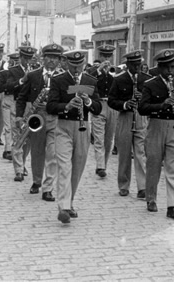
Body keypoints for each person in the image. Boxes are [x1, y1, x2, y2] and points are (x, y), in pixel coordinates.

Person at [46, 50, 102, 224]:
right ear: (66, 64)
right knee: (64, 167)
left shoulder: (91, 81)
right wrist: (67, 106)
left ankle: (69, 202)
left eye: (80, 65)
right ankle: (63, 207)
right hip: (63, 127)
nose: (77, 69)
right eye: (73, 65)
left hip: (83, 127)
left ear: (84, 63)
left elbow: (98, 108)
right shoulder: (58, 80)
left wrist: (88, 102)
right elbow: (51, 106)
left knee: (77, 167)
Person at [139, 49, 174, 219]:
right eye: (167, 68)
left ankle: (172, 205)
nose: (171, 71)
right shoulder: (150, 84)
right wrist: (161, 105)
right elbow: (142, 108)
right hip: (156, 125)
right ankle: (151, 199)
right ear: (159, 67)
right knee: (153, 164)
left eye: (173, 67)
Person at [15, 43, 64, 198]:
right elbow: (22, 97)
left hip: (55, 118)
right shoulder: (33, 75)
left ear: (60, 60)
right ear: (43, 58)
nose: (52, 61)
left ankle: (47, 188)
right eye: (49, 57)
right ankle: (36, 181)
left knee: (52, 153)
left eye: (55, 58)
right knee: (37, 152)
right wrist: (18, 116)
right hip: (37, 117)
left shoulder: (63, 77)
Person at [108, 50, 151, 198]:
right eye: (134, 65)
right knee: (124, 154)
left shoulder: (146, 79)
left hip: (140, 117)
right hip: (125, 117)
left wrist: (142, 98)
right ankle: (124, 185)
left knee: (140, 153)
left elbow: (151, 100)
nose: (137, 68)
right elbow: (111, 101)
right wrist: (126, 104)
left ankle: (142, 187)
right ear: (127, 65)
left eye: (139, 64)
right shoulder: (119, 79)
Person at [5, 46, 38, 182]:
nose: (27, 61)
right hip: (17, 104)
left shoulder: (37, 71)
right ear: (20, 58)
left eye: (30, 58)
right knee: (18, 137)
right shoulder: (13, 71)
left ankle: (22, 163)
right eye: (25, 58)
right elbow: (7, 87)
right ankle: (18, 170)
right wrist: (21, 80)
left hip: (32, 106)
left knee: (28, 139)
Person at [88, 44, 117, 179]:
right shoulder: (92, 71)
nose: (106, 58)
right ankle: (100, 166)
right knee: (98, 138)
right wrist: (99, 70)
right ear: (99, 56)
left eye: (108, 55)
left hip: (111, 105)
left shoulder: (116, 71)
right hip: (98, 104)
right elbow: (87, 81)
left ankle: (103, 164)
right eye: (104, 56)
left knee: (108, 139)